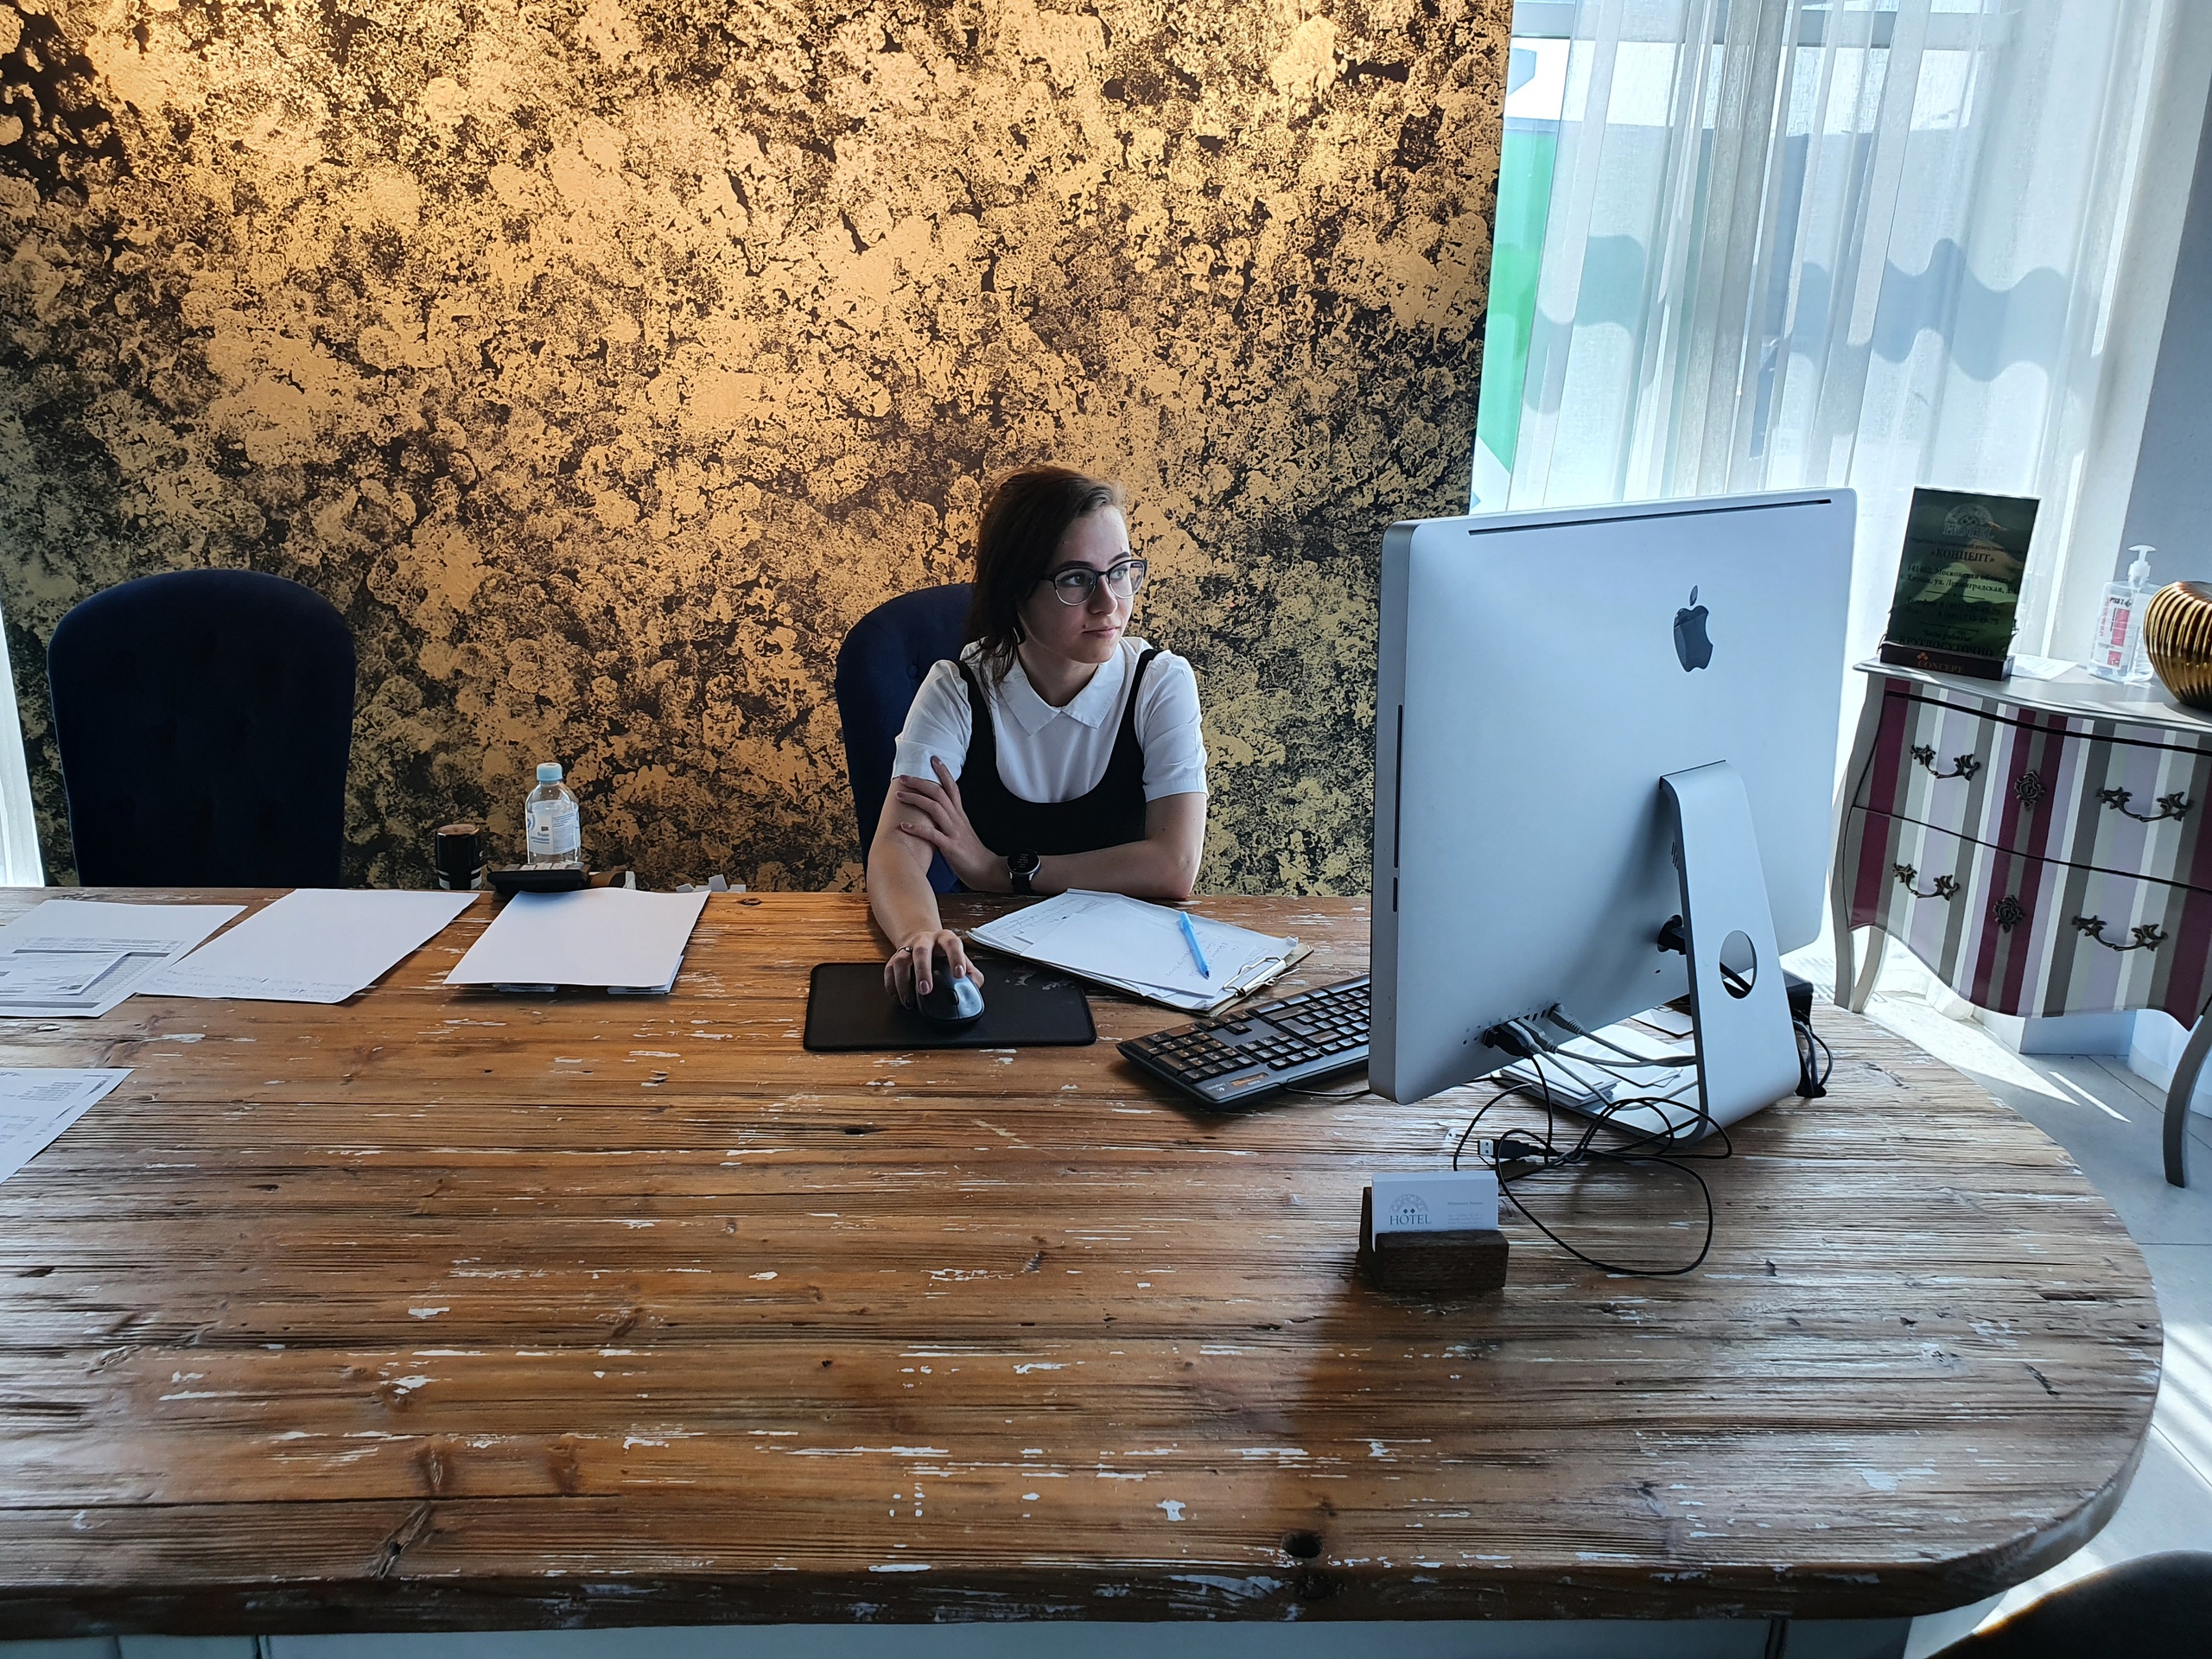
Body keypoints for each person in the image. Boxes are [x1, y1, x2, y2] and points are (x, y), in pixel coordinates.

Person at [868, 467, 1208, 1006]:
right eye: (1075, 579)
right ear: (1014, 591)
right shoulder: (957, 689)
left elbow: (1174, 867)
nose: (1108, 602)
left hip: (1131, 971)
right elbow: (897, 847)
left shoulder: (1160, 682)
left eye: (1121, 571)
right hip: (993, 963)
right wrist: (918, 935)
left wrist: (999, 871)